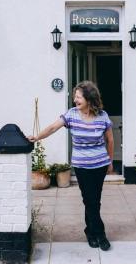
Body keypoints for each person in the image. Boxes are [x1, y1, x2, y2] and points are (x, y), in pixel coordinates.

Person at [28, 80, 114, 251]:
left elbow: (110, 140)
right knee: (89, 199)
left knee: (94, 200)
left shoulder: (102, 116)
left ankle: (90, 232)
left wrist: (110, 162)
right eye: (75, 97)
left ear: (89, 98)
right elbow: (53, 128)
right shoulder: (71, 114)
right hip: (82, 166)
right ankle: (100, 234)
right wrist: (37, 137)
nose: (75, 100)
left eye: (79, 97)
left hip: (100, 165)